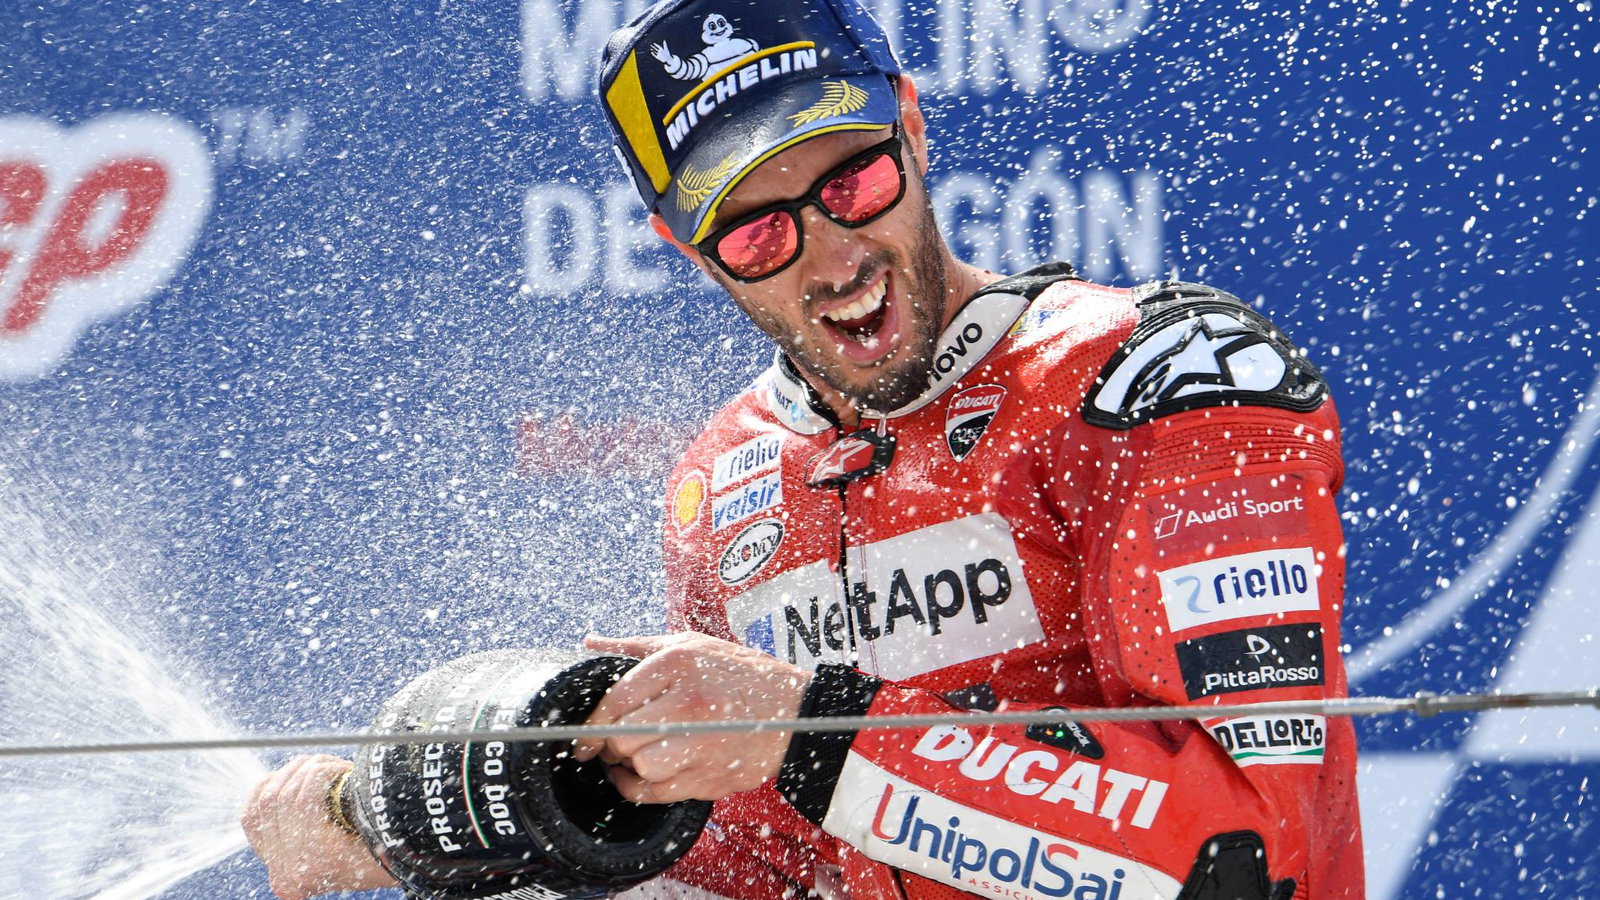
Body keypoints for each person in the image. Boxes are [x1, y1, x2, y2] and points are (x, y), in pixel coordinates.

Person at [244, 0, 1365, 897]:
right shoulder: (725, 478)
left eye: (852, 182)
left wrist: (805, 734)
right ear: (685, 247)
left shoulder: (1161, 383)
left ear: (912, 127)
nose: (833, 259)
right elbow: (767, 870)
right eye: (758, 231)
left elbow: (1240, 857)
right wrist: (494, 829)